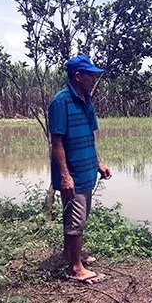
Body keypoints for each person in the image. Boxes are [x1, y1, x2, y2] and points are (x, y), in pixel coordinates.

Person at [48, 54, 112, 284]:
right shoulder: (61, 101)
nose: (94, 79)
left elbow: (89, 136)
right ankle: (76, 268)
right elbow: (57, 142)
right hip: (72, 174)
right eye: (90, 75)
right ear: (77, 76)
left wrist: (99, 163)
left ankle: (69, 255)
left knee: (79, 217)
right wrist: (65, 176)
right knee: (75, 220)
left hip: (86, 172)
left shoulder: (86, 100)